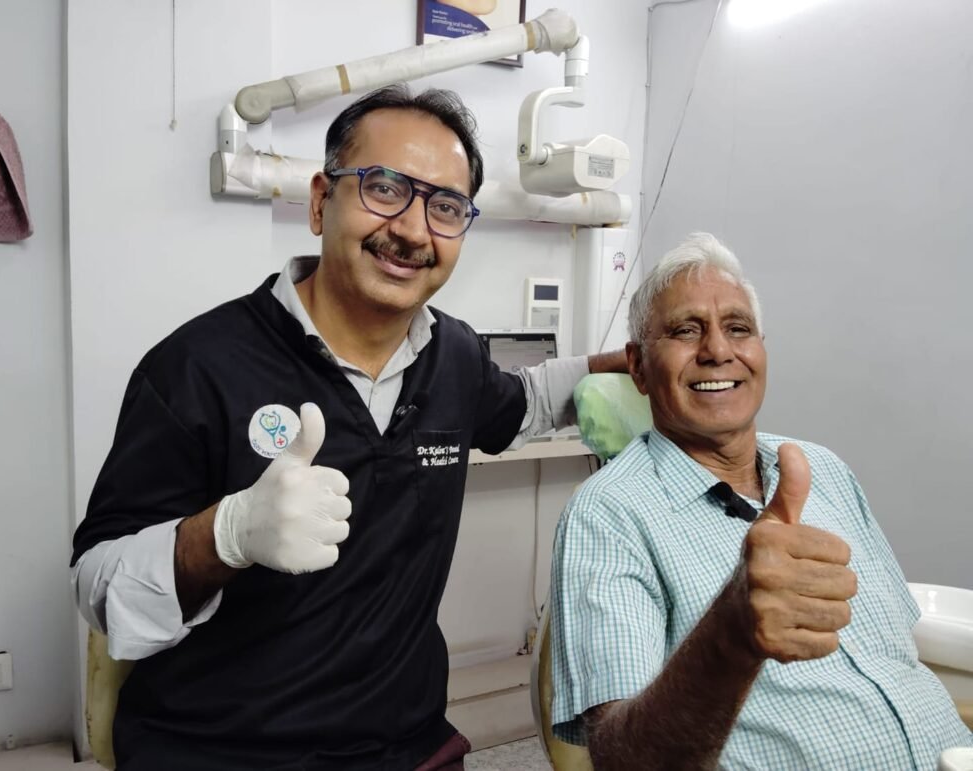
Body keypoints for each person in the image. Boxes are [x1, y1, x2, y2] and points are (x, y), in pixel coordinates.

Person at [70, 84, 624, 770]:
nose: (413, 230)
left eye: (446, 207)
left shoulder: (454, 357)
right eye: (384, 187)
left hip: (405, 745)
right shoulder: (196, 367)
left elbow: (528, 400)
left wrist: (634, 362)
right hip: (219, 749)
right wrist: (226, 534)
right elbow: (99, 589)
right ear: (318, 201)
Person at [548, 233, 973, 770]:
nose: (718, 351)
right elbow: (622, 759)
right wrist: (730, 635)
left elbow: (900, 658)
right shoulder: (609, 514)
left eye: (738, 328)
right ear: (637, 366)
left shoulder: (824, 470)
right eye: (686, 330)